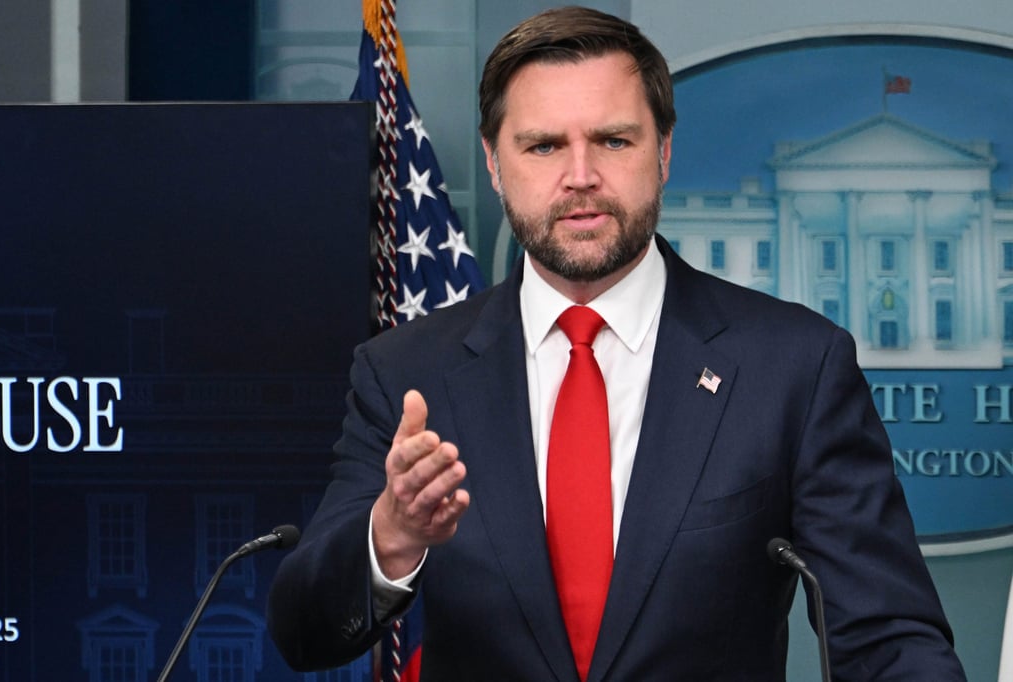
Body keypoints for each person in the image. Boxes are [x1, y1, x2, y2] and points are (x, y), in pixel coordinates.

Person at [267, 6, 966, 680]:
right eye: (543, 146)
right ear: (493, 162)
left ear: (662, 152)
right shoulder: (405, 371)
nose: (580, 176)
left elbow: (887, 637)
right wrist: (390, 537)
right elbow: (304, 631)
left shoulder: (794, 366)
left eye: (613, 140)